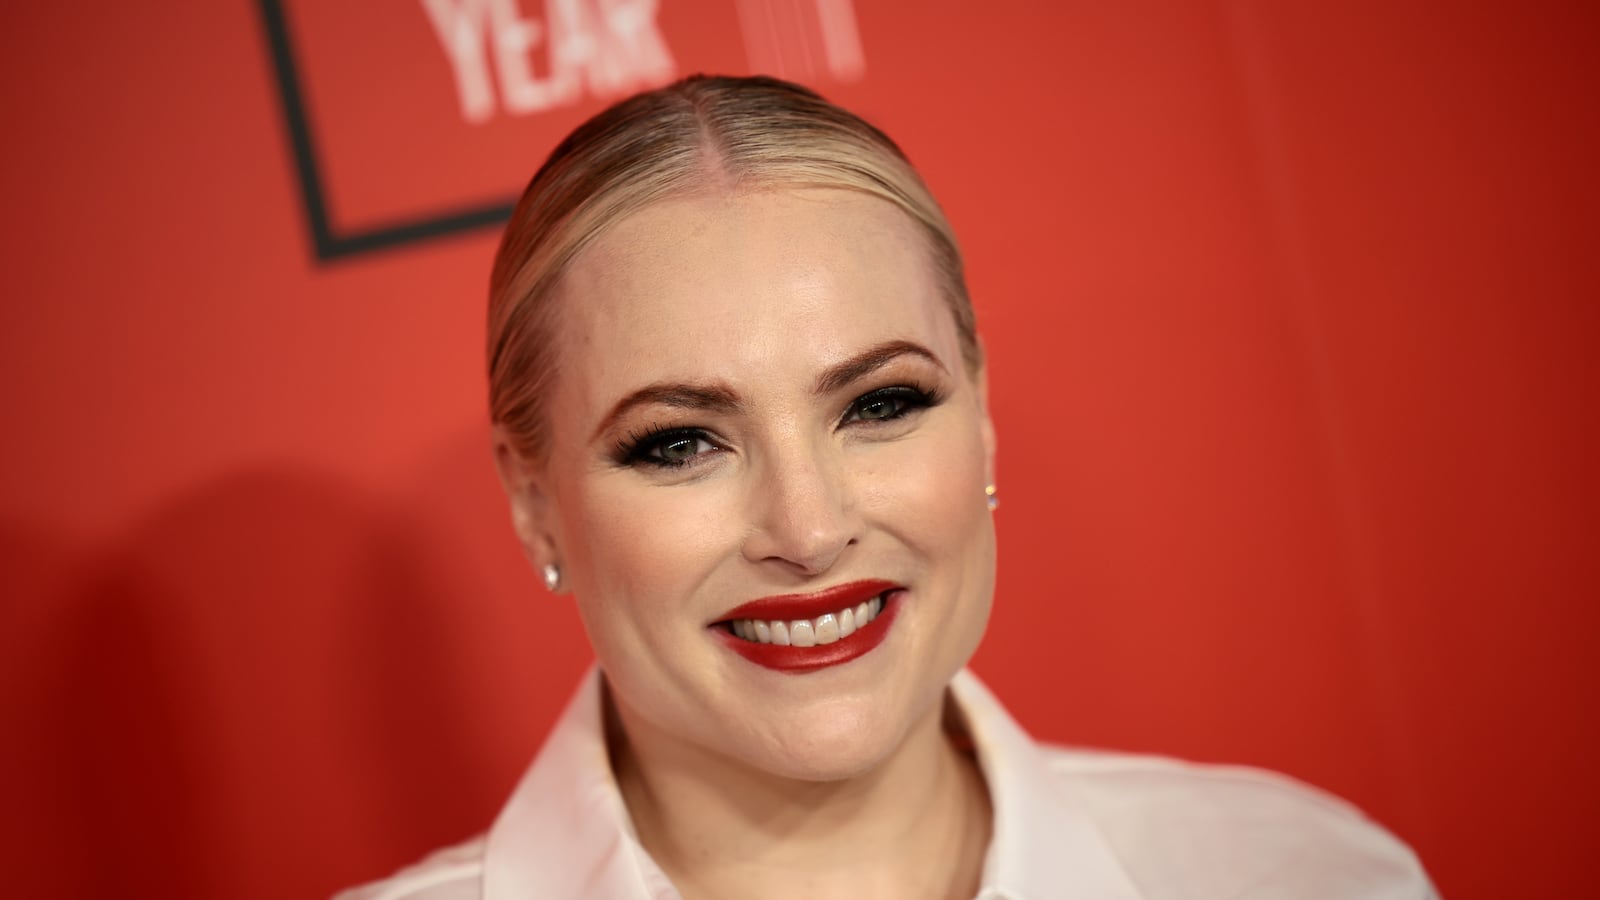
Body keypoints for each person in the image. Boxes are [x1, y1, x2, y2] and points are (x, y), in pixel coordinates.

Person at [339, 75, 1435, 899]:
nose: (808, 529)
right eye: (680, 442)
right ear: (534, 502)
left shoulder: (1300, 875)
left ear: (983, 418)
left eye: (878, 405)